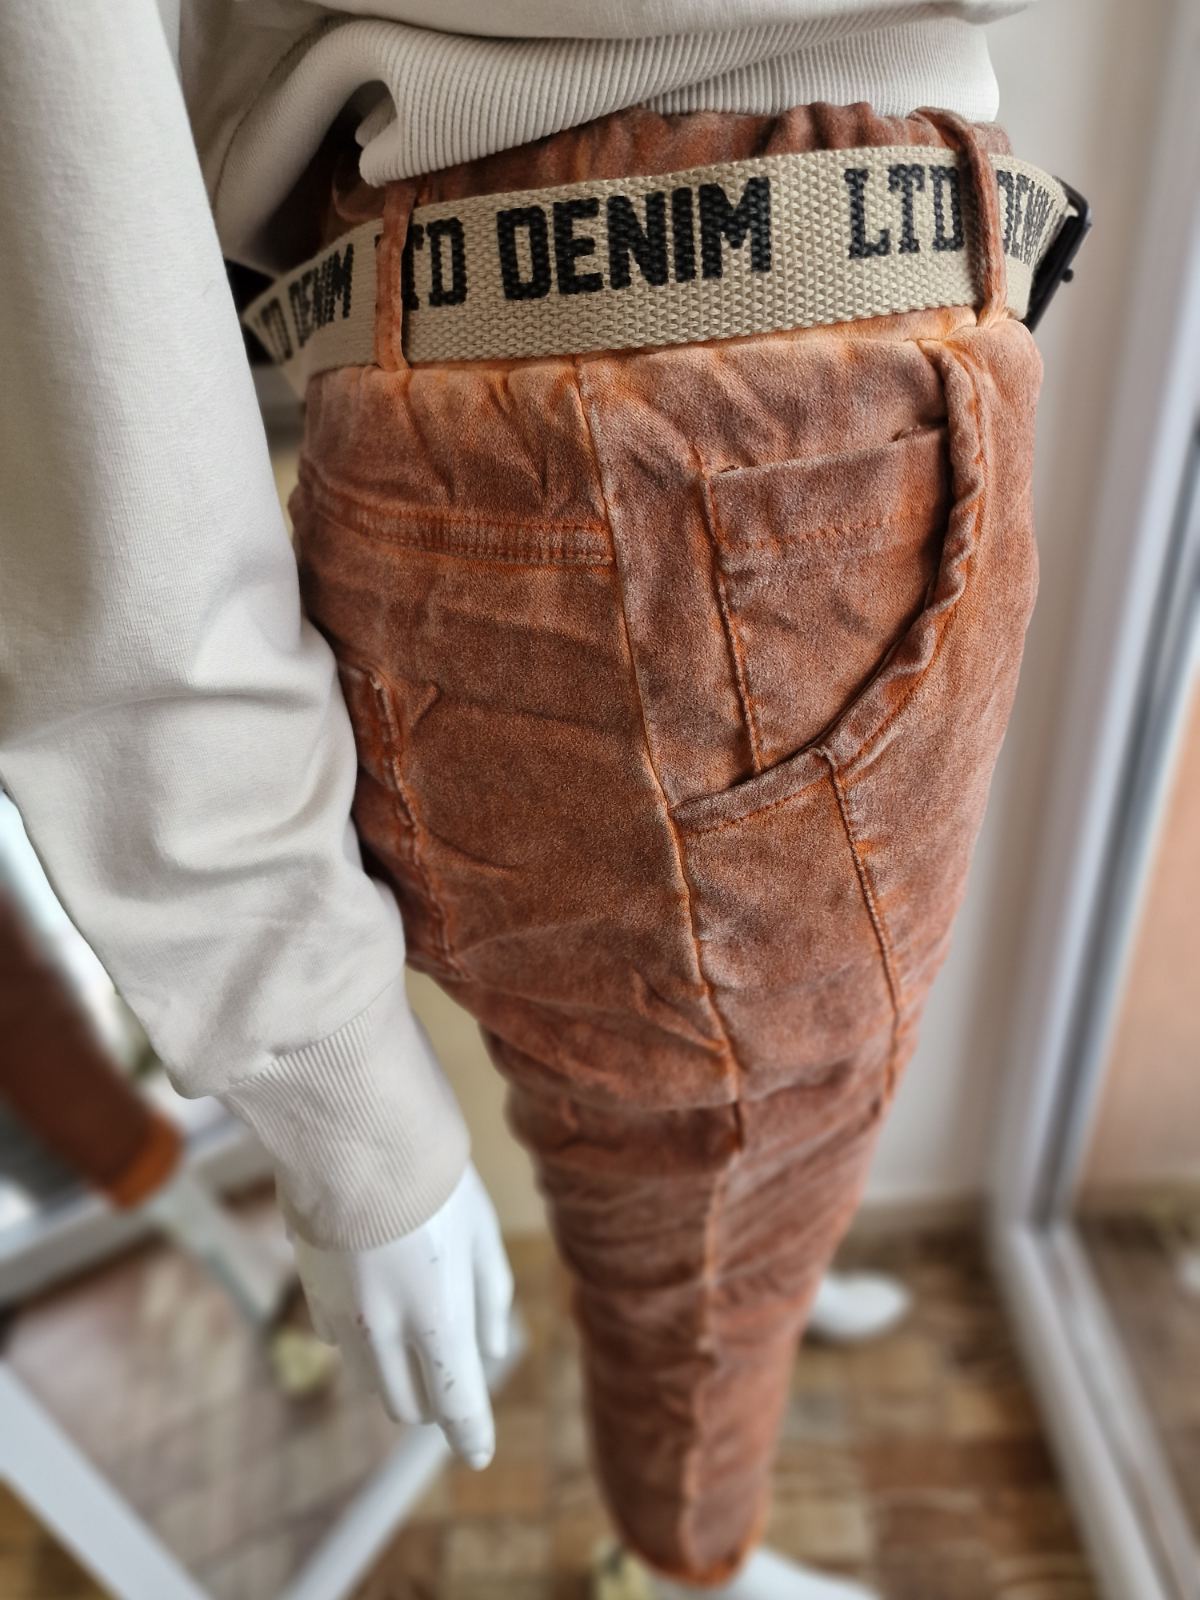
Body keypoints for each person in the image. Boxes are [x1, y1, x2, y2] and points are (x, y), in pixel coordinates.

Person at [0, 5, 1056, 1595]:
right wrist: (324, 1070)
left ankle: (750, 1250)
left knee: (750, 1119)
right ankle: (687, 1546)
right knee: (718, 1149)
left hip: (673, 383)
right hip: (735, 457)